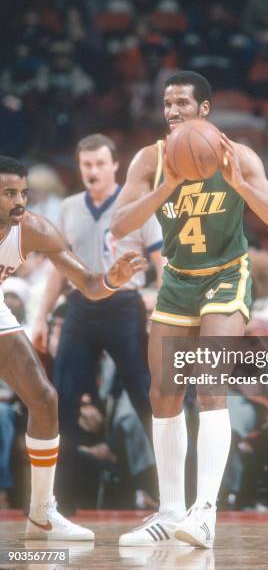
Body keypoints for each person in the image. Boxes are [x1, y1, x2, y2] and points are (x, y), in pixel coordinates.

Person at [110, 70, 268, 548]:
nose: (172, 111)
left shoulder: (239, 155)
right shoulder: (149, 160)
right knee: (163, 395)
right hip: (177, 281)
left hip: (227, 274)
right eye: (167, 103)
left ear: (203, 109)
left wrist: (240, 184)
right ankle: (170, 512)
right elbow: (119, 224)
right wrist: (165, 186)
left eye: (182, 103)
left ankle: (205, 512)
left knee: (210, 385)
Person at [0, 155, 144, 540]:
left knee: (44, 399)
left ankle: (41, 514)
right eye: (8, 193)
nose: (19, 201)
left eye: (24, 193)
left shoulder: (32, 230)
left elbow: (89, 285)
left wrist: (113, 279)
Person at [32, 133, 164, 512]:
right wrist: (41, 316)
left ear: (115, 165)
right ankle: (60, 503)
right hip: (79, 305)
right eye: (86, 165)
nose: (92, 171)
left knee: (146, 397)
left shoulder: (136, 205)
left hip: (124, 306)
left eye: (99, 164)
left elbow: (160, 262)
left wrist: (165, 310)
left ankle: (172, 493)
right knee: (63, 399)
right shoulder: (70, 207)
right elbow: (59, 270)